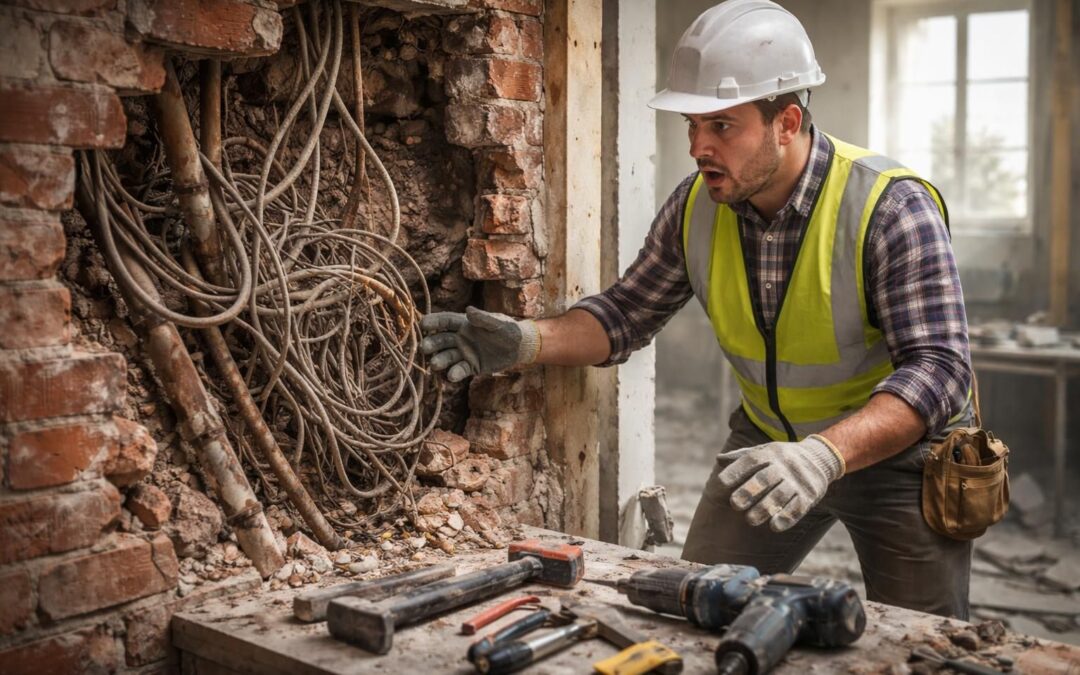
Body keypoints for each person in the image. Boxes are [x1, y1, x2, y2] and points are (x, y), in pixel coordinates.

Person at [420, 0, 974, 619]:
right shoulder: (698, 205)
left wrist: (824, 454)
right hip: (767, 446)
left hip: (895, 456)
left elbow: (940, 371)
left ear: (787, 122)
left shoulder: (890, 207)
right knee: (695, 603)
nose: (699, 147)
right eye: (692, 125)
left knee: (927, 643)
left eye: (722, 127)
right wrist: (527, 341)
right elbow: (627, 313)